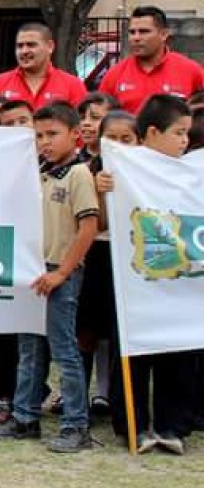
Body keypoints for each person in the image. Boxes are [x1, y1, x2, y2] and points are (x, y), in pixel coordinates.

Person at [0, 102, 98, 452]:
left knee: (64, 349)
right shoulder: (39, 174)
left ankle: (76, 425)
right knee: (30, 348)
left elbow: (88, 227)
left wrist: (64, 271)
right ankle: (25, 417)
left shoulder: (79, 175)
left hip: (60, 272)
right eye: (38, 136)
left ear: (75, 136)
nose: (45, 142)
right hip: (33, 269)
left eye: (52, 134)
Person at [97, 96, 194, 453]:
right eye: (178, 132)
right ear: (152, 132)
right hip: (135, 277)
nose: (184, 140)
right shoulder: (121, 169)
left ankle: (172, 426)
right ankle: (132, 424)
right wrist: (103, 189)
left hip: (180, 282)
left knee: (178, 353)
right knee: (132, 349)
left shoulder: (192, 175)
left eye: (187, 133)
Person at [80, 110, 139, 434]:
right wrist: (99, 192)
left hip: (130, 257)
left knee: (121, 334)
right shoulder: (88, 172)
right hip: (96, 254)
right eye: (111, 139)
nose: (118, 146)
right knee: (86, 332)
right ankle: (77, 400)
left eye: (126, 139)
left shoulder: (149, 172)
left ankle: (119, 404)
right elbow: (97, 222)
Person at [99, 6, 204, 114]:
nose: (136, 38)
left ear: (163, 34)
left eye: (144, 31)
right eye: (132, 32)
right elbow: (101, 117)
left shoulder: (191, 71)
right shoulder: (114, 75)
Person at [0, 23, 86, 109]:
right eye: (20, 46)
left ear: (50, 47)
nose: (24, 51)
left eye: (31, 45)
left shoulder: (73, 85)